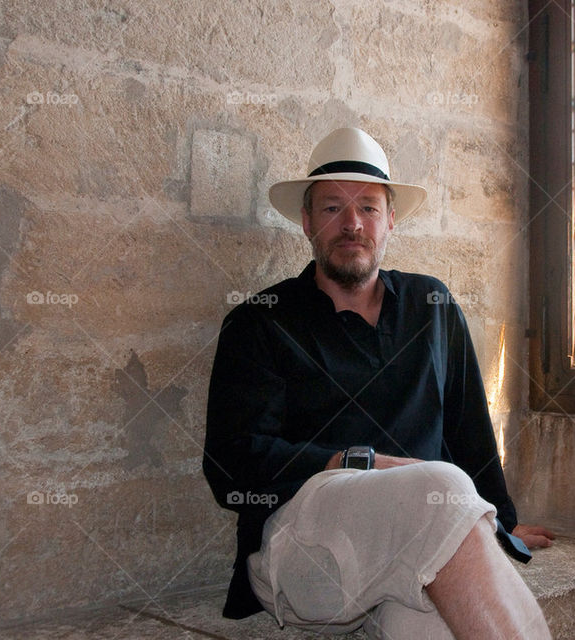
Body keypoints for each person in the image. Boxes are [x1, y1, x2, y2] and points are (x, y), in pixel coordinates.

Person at [203, 127, 555, 639]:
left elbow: (467, 422)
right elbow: (230, 465)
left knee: (436, 627)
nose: (352, 224)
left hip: (419, 544)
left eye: (368, 207)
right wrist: (356, 462)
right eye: (331, 209)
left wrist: (497, 519)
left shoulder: (430, 306)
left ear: (390, 220)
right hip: (306, 551)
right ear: (306, 223)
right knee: (443, 483)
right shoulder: (261, 320)